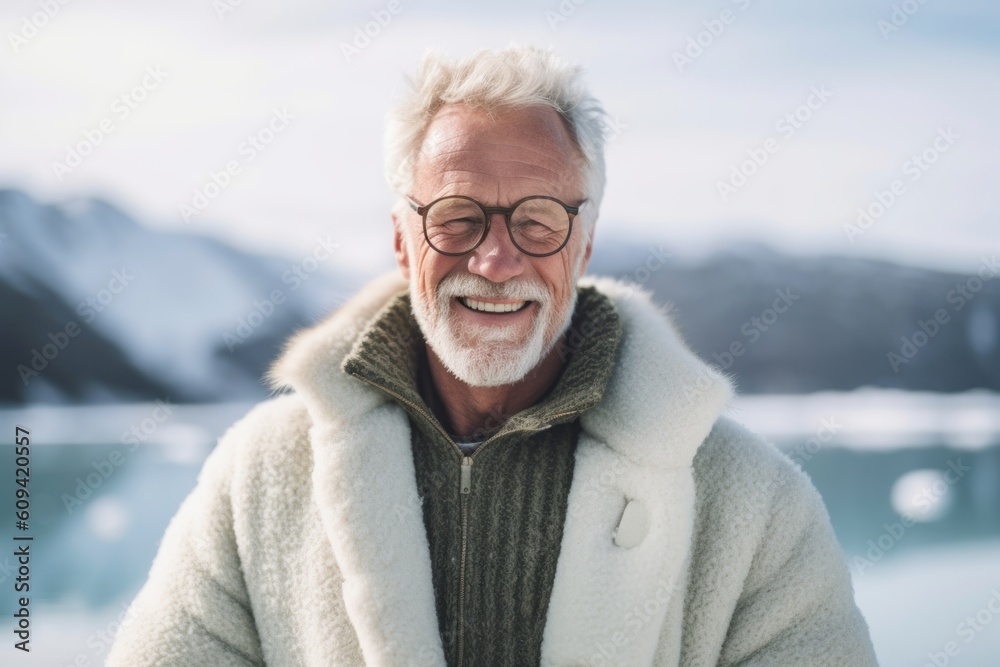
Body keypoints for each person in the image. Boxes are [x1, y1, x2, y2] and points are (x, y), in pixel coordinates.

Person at [108, 45, 879, 667]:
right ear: (404, 241)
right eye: (458, 217)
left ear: (584, 243)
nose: (497, 259)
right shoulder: (257, 481)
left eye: (539, 221)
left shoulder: (751, 504)